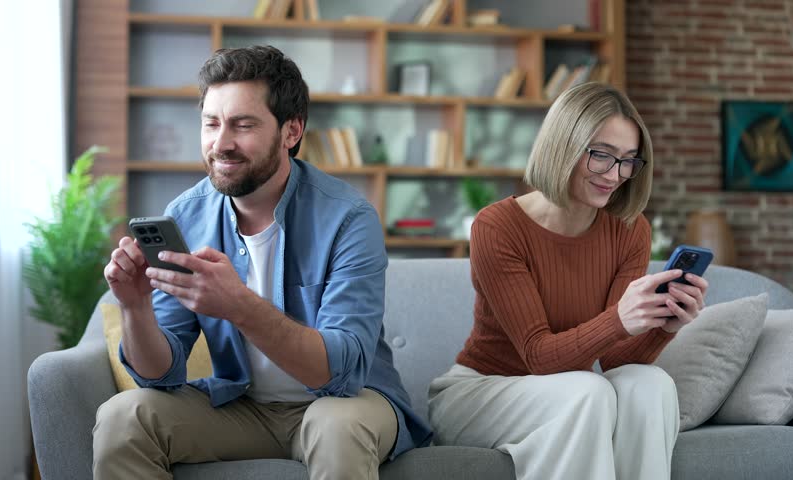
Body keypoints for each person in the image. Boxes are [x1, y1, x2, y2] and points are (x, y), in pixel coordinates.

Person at [94, 45, 431, 480]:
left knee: (336, 426)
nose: (221, 143)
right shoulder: (185, 215)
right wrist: (136, 307)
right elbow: (162, 376)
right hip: (240, 407)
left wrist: (237, 304)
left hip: (342, 404)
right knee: (125, 417)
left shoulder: (349, 218)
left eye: (243, 125)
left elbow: (341, 374)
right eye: (211, 123)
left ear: (291, 131)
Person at [428, 82, 708, 480]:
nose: (615, 175)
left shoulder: (629, 230)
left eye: (628, 161)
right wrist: (619, 319)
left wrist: (664, 327)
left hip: (567, 391)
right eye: (601, 156)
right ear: (564, 145)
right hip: (481, 392)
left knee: (651, 384)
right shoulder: (498, 226)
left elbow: (615, 359)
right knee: (588, 391)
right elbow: (538, 356)